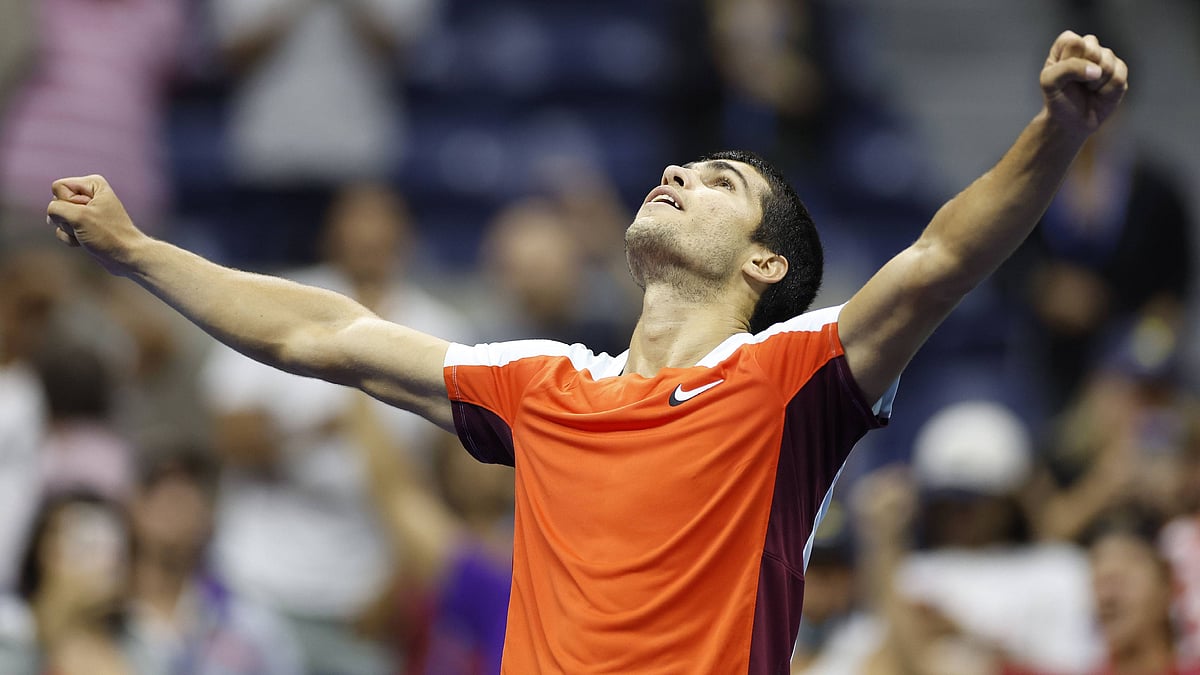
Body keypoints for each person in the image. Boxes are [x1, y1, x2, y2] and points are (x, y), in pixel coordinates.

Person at [43, 31, 1127, 673]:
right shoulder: (544, 385)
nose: (684, 176)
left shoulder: (792, 381)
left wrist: (1060, 132)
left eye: (723, 185)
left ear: (762, 268)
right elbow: (322, 332)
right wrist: (140, 252)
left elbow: (940, 257)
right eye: (687, 166)